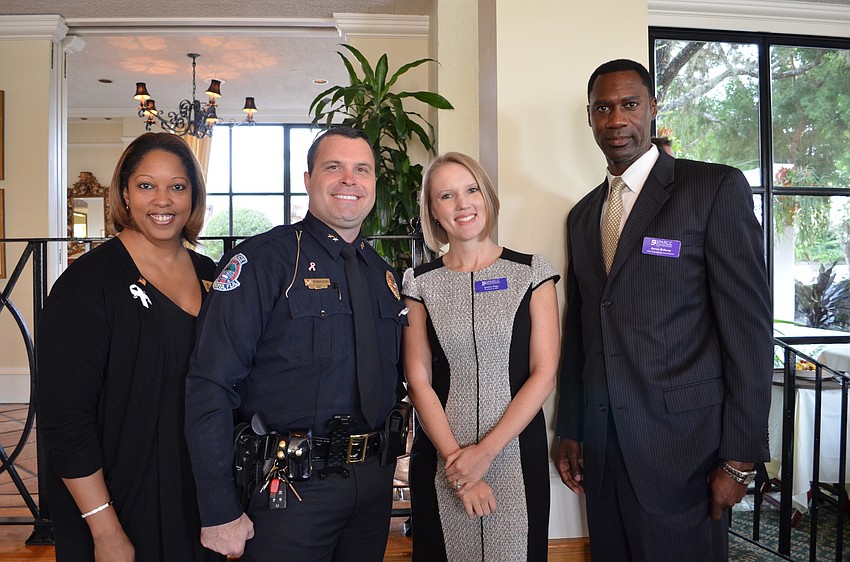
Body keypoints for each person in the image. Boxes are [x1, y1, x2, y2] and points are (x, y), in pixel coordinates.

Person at [554, 58, 773, 561]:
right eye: (603, 108)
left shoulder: (713, 189)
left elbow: (748, 331)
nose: (616, 120)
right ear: (589, 117)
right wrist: (571, 427)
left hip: (687, 454)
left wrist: (739, 459)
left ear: (652, 109)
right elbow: (583, 331)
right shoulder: (584, 215)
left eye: (629, 104)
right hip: (604, 454)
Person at [184, 126, 408, 562]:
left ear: (373, 185)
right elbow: (209, 384)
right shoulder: (263, 262)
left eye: (361, 169)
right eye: (333, 168)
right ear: (308, 180)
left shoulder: (382, 276)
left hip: (373, 486)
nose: (349, 180)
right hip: (290, 487)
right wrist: (217, 509)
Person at [36, 132, 221, 561]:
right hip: (116, 503)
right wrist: (105, 529)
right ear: (123, 192)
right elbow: (65, 420)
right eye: (146, 185)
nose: (163, 200)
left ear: (193, 195)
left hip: (195, 499)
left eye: (177, 186)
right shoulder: (85, 285)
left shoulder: (212, 274)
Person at [402, 152, 560, 562]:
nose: (463, 204)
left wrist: (484, 454)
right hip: (442, 457)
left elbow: (544, 374)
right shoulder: (419, 283)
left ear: (487, 196)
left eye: (471, 190)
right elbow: (417, 378)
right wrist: (460, 469)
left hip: (513, 456)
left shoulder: (532, 272)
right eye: (447, 196)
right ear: (433, 212)